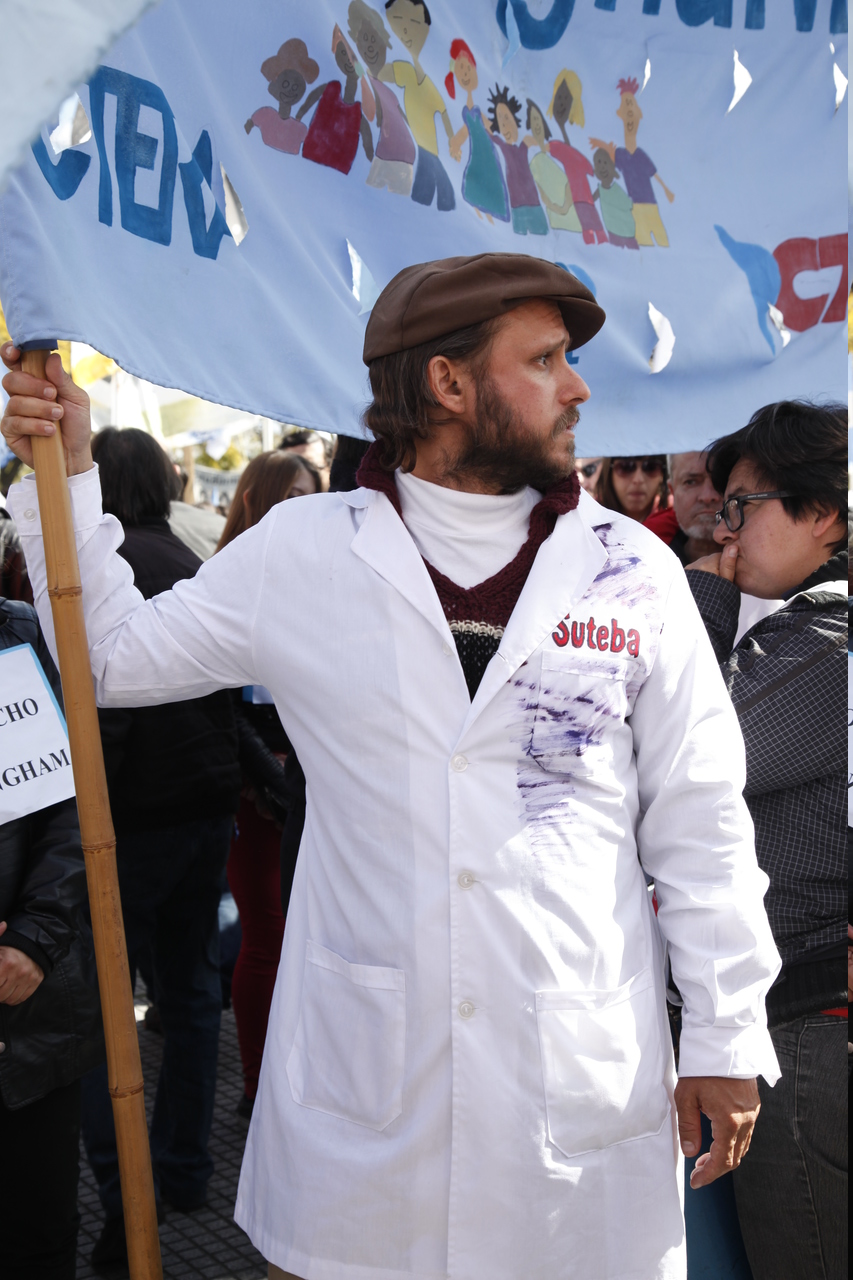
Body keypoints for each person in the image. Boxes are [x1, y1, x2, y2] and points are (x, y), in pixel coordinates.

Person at [2, 253, 780, 1280]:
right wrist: (66, 474)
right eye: (544, 359)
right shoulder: (303, 552)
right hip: (363, 1112)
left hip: (576, 1099)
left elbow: (701, 819)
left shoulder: (630, 568)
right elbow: (109, 659)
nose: (578, 387)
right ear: (447, 383)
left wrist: (724, 1030)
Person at [685, 402, 848, 1280]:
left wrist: (703, 601)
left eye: (743, 507)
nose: (725, 530)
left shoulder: (829, 637)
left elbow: (690, 755)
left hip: (808, 1026)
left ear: (822, 512)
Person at [76, 427, 242, 1266]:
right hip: (203, 805)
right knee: (190, 997)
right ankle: (182, 1170)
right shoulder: (186, 558)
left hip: (130, 822)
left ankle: (123, 1197)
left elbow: (106, 713)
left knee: (100, 1010)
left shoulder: (98, 572)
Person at [0, 597, 104, 1280]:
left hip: (30, 1006)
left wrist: (33, 940)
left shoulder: (18, 633)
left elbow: (74, 802)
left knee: (37, 1234)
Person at [217, 452, 321, 1118]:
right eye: (290, 496)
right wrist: (270, 780)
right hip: (256, 794)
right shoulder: (227, 577)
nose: (303, 509)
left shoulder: (329, 577)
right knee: (266, 937)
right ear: (254, 500)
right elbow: (223, 709)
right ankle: (259, 1088)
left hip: (316, 788)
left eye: (313, 495)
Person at [381, 0, 457, 211]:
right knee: (435, 189)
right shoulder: (406, 71)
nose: (405, 29)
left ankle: (423, 209)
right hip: (421, 145)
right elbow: (384, 72)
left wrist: (452, 140)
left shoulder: (427, 83)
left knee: (438, 190)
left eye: (414, 23)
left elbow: (443, 112)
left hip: (429, 147)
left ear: (425, 31)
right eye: (398, 19)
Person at [446, 39, 509, 224]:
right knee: (477, 181)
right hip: (478, 153)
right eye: (461, 70)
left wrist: (501, 132)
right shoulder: (467, 111)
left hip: (487, 151)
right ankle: (485, 212)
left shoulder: (476, 110)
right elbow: (465, 131)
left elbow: (490, 126)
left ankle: (491, 213)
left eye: (468, 68)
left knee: (491, 180)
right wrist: (455, 143)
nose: (465, 73)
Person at [600, 453, 668, 522]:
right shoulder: (593, 514)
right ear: (609, 472)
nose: (638, 480)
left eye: (651, 467)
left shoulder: (673, 517)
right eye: (625, 467)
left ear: (662, 475)